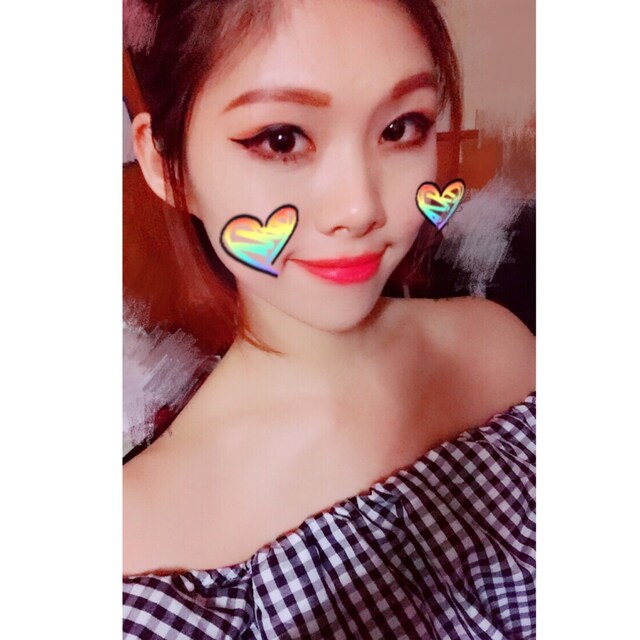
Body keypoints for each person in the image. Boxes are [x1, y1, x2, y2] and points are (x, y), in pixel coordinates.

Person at [123, 0, 536, 637]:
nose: (359, 207)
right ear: (164, 165)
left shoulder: (498, 349)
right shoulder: (136, 553)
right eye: (281, 139)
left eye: (400, 128)